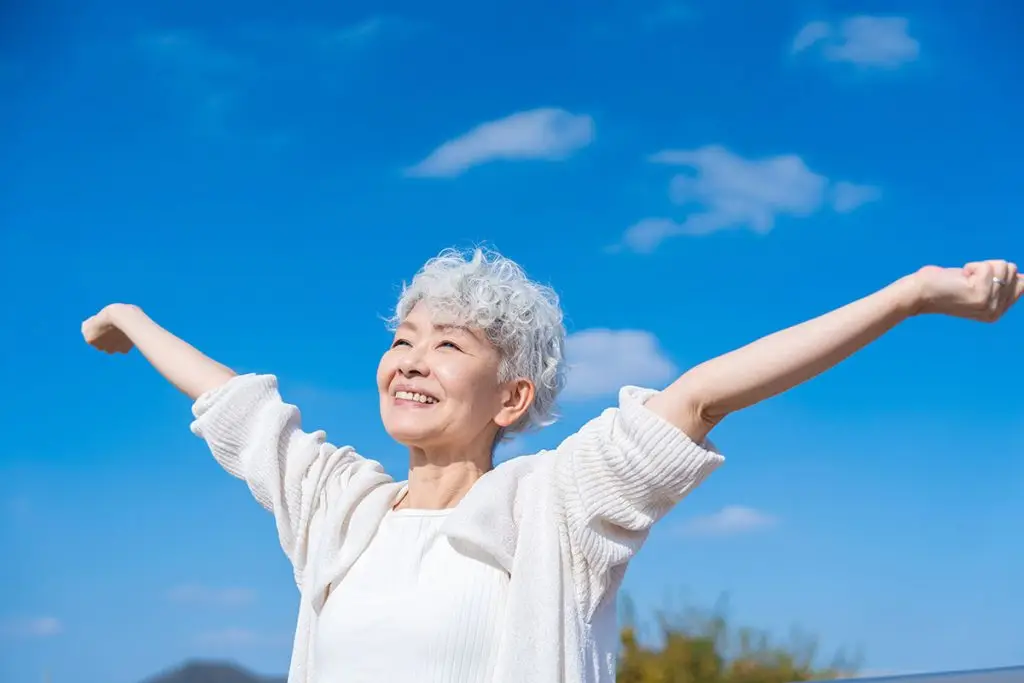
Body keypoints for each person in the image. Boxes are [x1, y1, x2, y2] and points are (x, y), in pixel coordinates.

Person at [82, 248, 1021, 683]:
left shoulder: (556, 508)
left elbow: (700, 395)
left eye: (448, 344)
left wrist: (911, 296)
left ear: (513, 397)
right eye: (404, 338)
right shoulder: (340, 509)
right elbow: (238, 405)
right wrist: (131, 318)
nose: (410, 357)